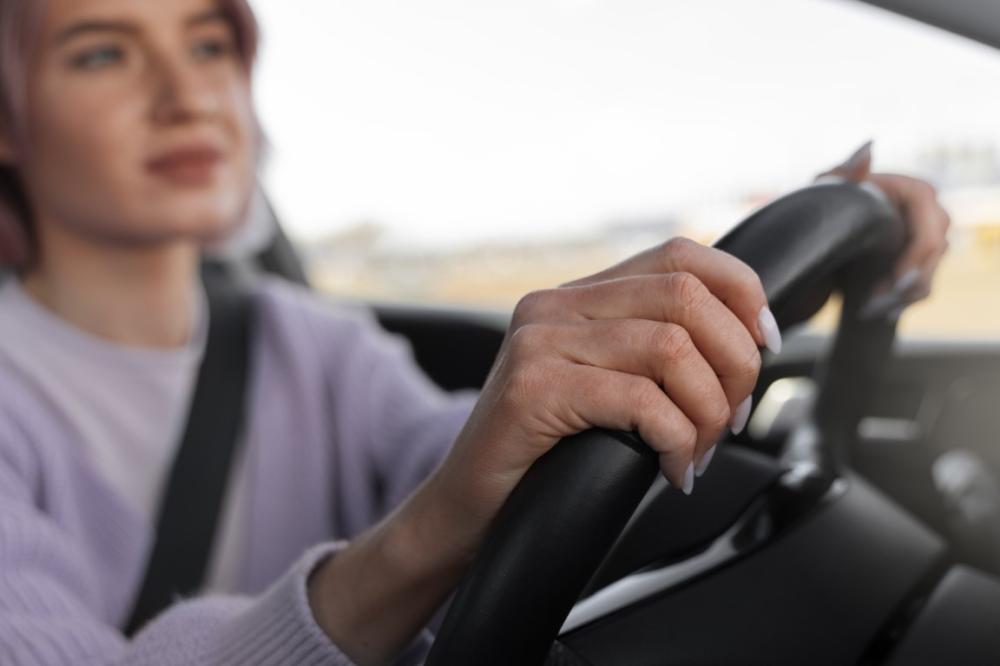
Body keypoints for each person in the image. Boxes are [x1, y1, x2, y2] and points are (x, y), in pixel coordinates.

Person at [0, 0, 951, 664]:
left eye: (209, 45)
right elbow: (452, 502)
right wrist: (429, 533)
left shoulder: (314, 345)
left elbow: (508, 481)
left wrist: (719, 319)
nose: (189, 95)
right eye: (102, 53)